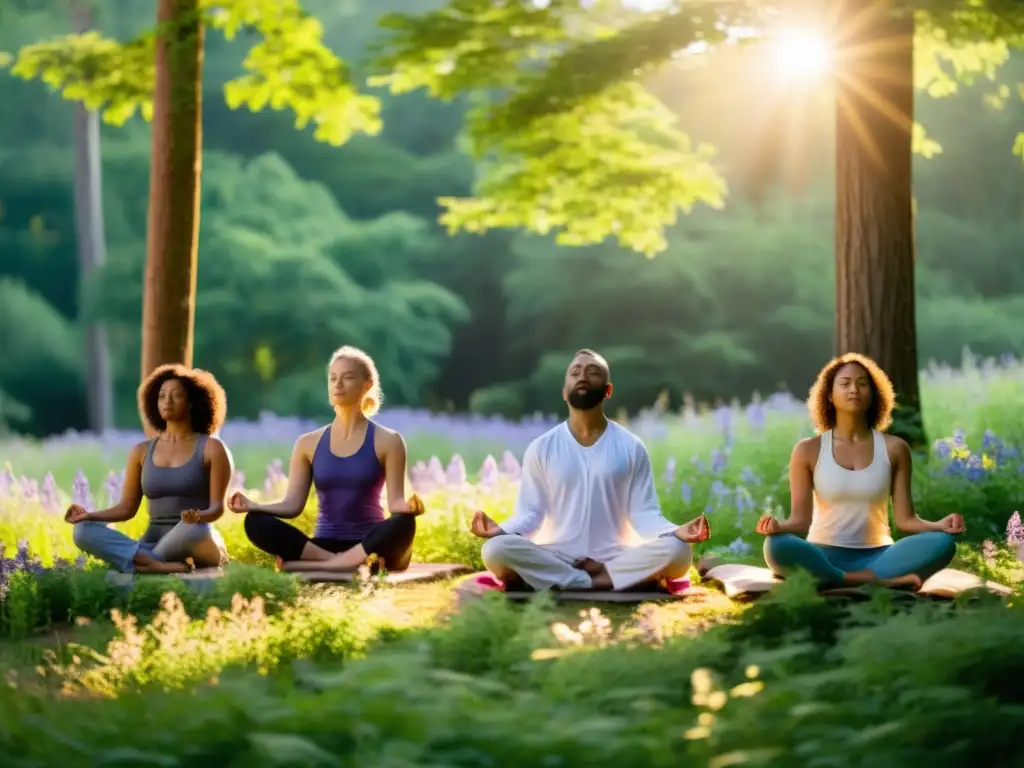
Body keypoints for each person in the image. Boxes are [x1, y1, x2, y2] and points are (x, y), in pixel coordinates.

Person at [470, 349, 711, 592]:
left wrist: (676, 532)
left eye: (592, 372)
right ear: (565, 392)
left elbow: (644, 514)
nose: (582, 376)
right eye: (575, 372)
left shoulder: (631, 446)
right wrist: (502, 531)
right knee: (495, 549)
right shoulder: (541, 447)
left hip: (615, 557)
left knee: (678, 550)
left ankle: (569, 579)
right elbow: (531, 513)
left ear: (608, 391)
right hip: (558, 555)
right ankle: (594, 581)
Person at [757, 353, 963, 590]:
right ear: (830, 396)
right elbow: (800, 521)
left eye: (862, 384)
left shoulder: (895, 448)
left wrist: (940, 525)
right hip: (821, 555)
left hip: (879, 557)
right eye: (844, 384)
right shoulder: (808, 450)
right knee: (776, 546)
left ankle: (839, 579)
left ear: (874, 395)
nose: (854, 389)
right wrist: (776, 527)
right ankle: (864, 580)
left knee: (943, 543)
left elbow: (906, 521)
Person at [228, 345, 422, 573]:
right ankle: (340, 563)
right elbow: (292, 505)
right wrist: (254, 505)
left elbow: (395, 503)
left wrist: (409, 506)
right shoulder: (307, 443)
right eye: (332, 378)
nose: (337, 384)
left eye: (347, 377)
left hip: (370, 544)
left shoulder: (389, 440)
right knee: (255, 522)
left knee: (404, 522)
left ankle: (331, 564)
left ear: (367, 385)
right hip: (324, 544)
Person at [66, 364, 232, 573]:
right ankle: (162, 565)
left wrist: (198, 517)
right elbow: (126, 509)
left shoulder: (212, 448)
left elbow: (218, 508)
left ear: (191, 403)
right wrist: (89, 516)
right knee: (82, 532)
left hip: (195, 537)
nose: (167, 401)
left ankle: (143, 563)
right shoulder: (141, 451)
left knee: (193, 530)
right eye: (162, 396)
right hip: (153, 543)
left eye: (176, 395)